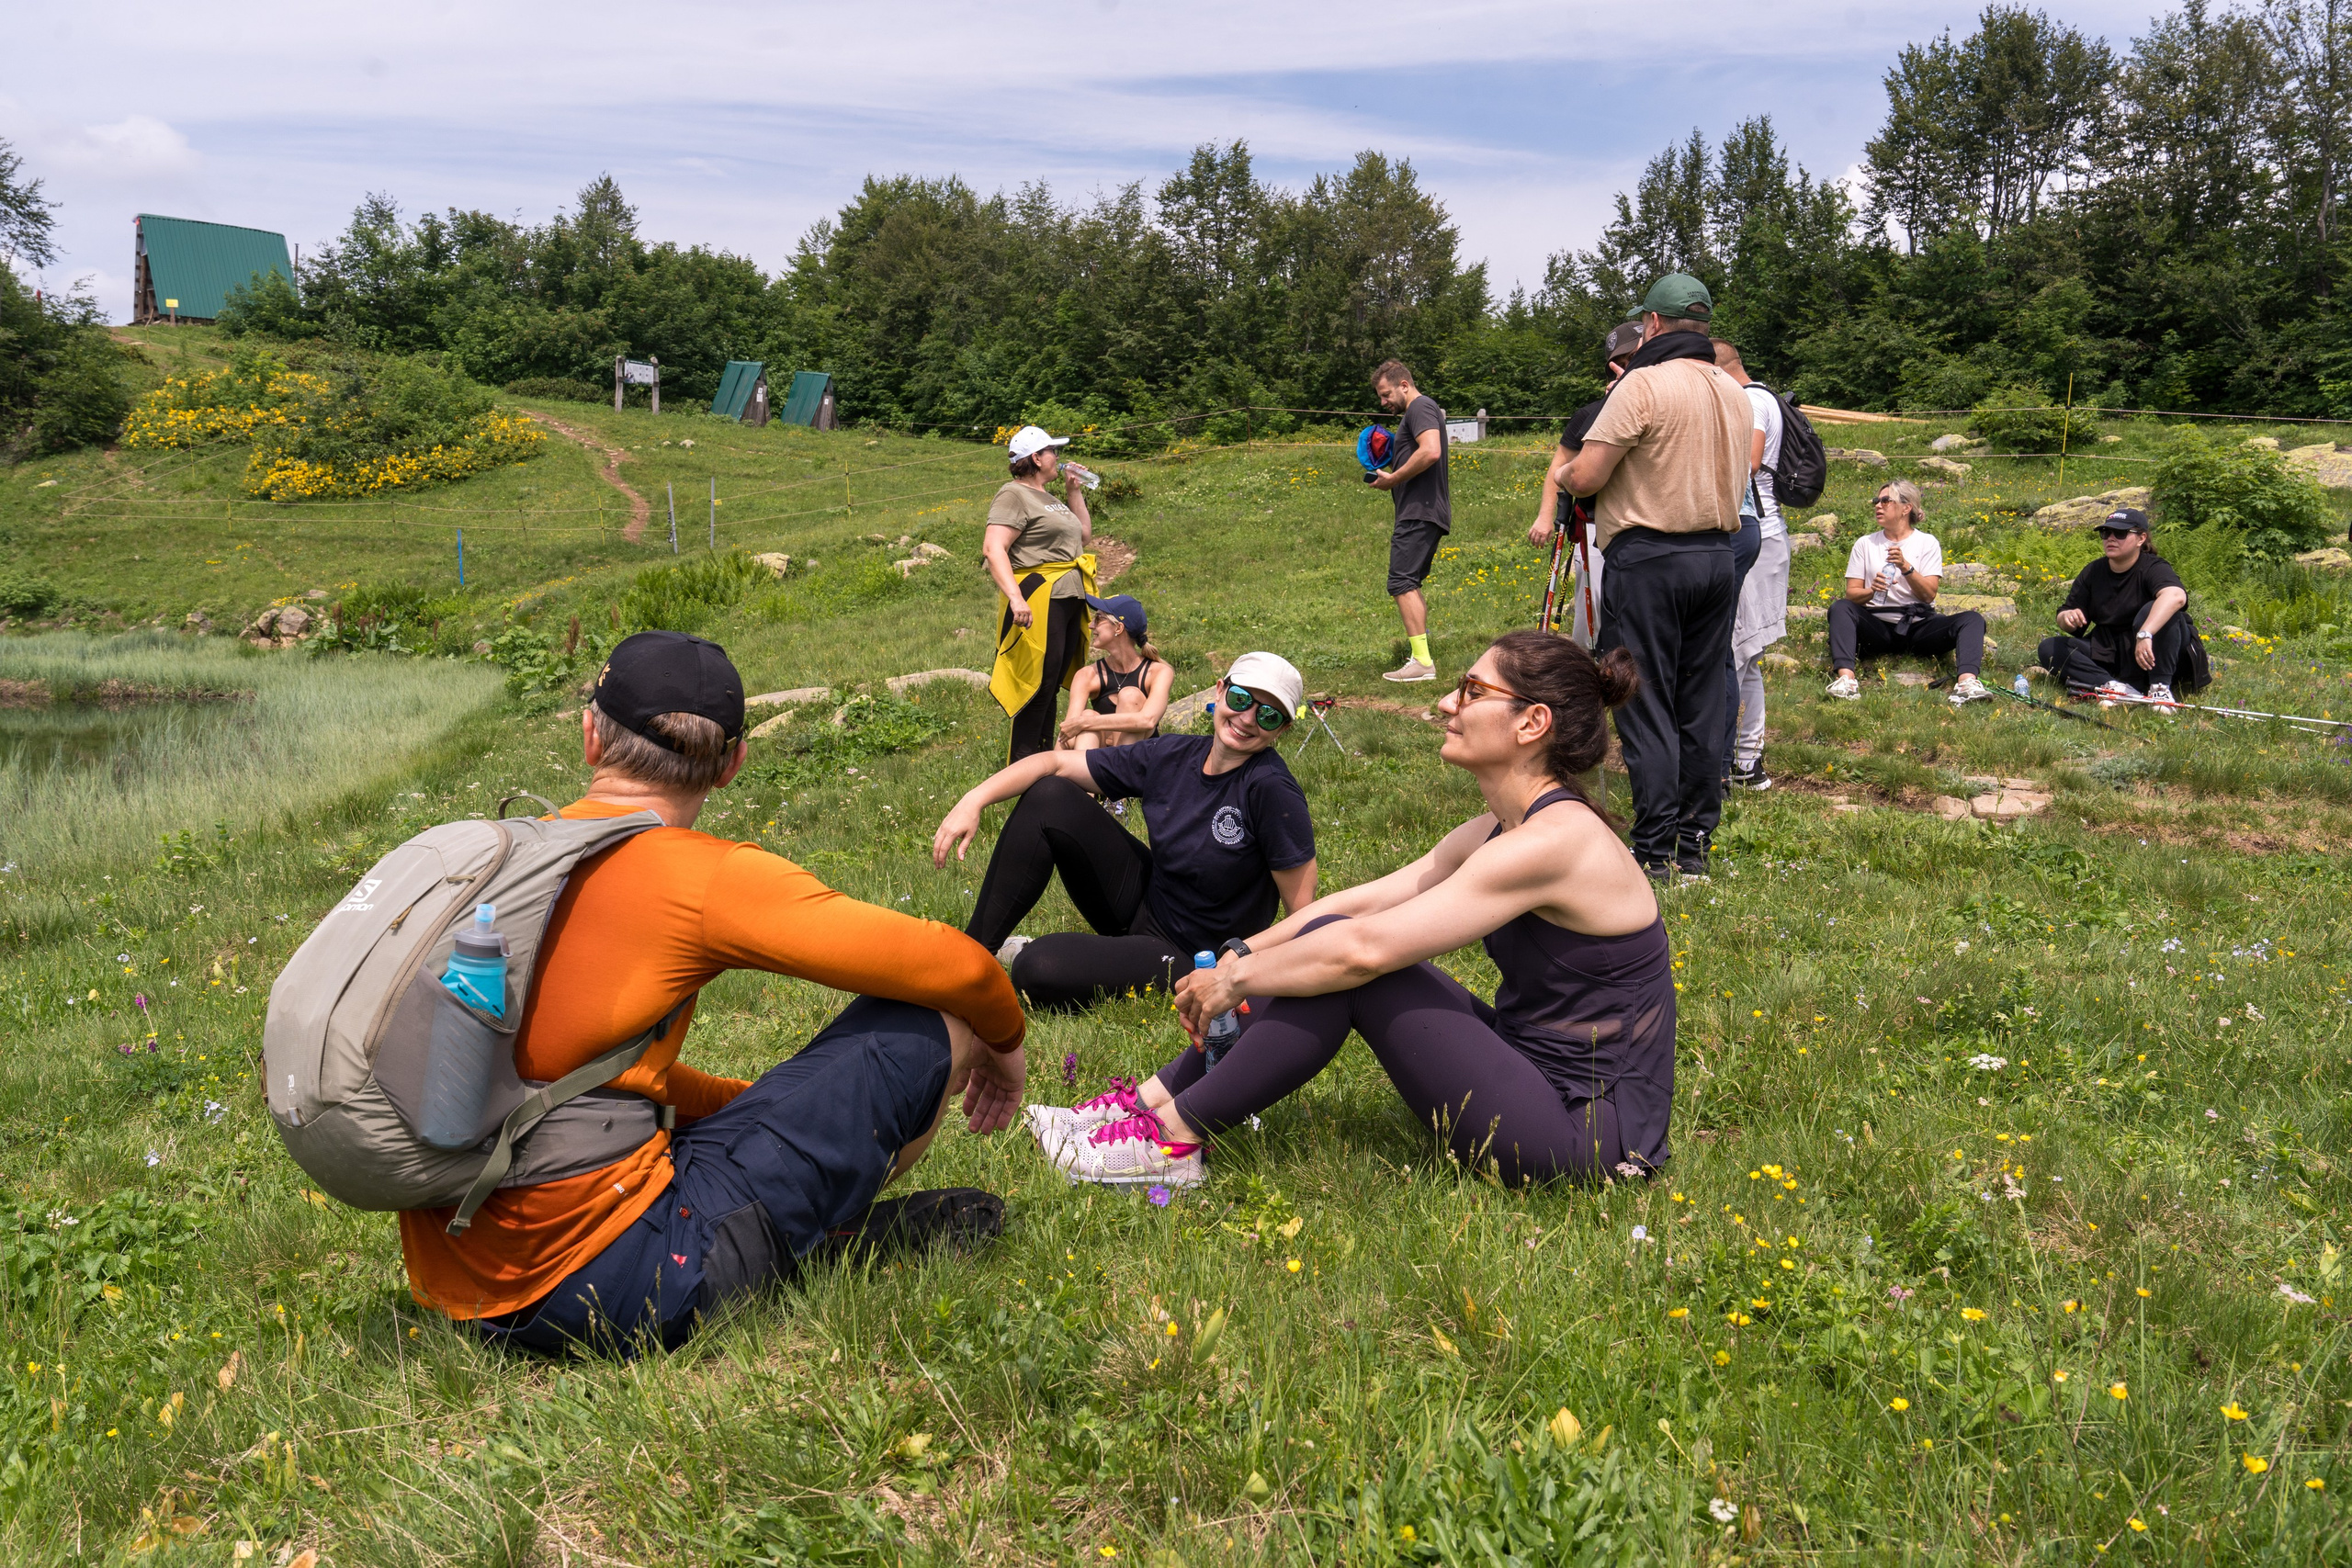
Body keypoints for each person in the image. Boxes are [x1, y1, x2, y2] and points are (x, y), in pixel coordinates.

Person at [405, 631, 1028, 1357]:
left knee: (716, 1118)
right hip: (615, 1288)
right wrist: (1005, 1047)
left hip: (459, 1283)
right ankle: (820, 1233)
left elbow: (586, 1081)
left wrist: (755, 1106)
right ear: (732, 763)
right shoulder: (699, 875)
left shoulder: (508, 864)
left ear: (590, 738)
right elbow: (960, 968)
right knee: (942, 1019)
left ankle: (798, 1219)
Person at [1034, 631, 1673, 1191]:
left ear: (1531, 723)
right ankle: (1145, 1107)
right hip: (1531, 1067)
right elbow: (1361, 902)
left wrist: (1236, 980)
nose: (1447, 703)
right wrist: (1248, 950)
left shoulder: (1555, 840)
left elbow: (1365, 948)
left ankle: (1167, 1141)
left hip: (1587, 1130)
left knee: (1352, 966)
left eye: (1472, 690)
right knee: (1315, 948)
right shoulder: (1503, 827)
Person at [934, 652, 1318, 1012]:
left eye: (1268, 715)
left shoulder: (1270, 789)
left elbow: (1303, 916)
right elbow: (1054, 761)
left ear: (1282, 729)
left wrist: (1238, 971)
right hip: (1144, 900)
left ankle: (1032, 955)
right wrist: (974, 799)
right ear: (1220, 690)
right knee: (1050, 795)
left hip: (1189, 955)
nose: (1248, 718)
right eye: (1241, 698)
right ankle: (967, 959)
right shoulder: (1174, 755)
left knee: (1038, 969)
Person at [1557, 273, 1752, 882]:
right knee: (1699, 699)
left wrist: (1564, 478)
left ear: (1654, 324)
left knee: (1643, 701)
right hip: (1718, 556)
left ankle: (1654, 847)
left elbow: (1588, 474)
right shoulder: (1732, 389)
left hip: (1649, 558)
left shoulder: (1642, 385)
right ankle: (1695, 840)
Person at [1825, 480, 1991, 705]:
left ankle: (1966, 684)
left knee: (1972, 619)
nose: (1878, 506)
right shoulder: (1865, 544)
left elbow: (1929, 595)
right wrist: (1871, 591)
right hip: (1878, 626)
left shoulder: (1927, 543)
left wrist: (1907, 568)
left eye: (1885, 501)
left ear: (1906, 507)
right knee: (1840, 608)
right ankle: (1846, 681)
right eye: (1877, 501)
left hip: (1919, 627)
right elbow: (1851, 595)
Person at [985, 424, 1096, 761]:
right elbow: (994, 548)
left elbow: (1084, 538)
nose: (1058, 457)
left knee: (1051, 686)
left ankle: (1043, 764)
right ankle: (1023, 768)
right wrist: (1016, 598)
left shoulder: (1050, 499)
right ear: (1036, 457)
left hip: (1067, 598)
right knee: (1038, 685)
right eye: (1053, 452)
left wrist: (1073, 492)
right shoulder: (1013, 494)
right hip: (1039, 599)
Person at [1529, 323, 1644, 647]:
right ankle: (1585, 666)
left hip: (1644, 527)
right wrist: (1545, 515)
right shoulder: (1590, 414)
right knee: (1592, 603)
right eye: (1629, 356)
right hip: (1595, 524)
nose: (1636, 361)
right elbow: (1560, 464)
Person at [2036, 506, 2208, 709]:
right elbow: (2066, 618)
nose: (2111, 538)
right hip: (2112, 651)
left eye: (2120, 533)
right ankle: (2114, 687)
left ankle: (2159, 689)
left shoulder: (2153, 567)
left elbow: (2176, 596)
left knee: (2156, 610)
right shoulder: (2093, 571)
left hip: (2158, 652)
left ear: (2141, 538)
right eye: (2105, 533)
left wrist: (2145, 634)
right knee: (2050, 648)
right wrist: (2068, 617)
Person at [1712, 338, 1789, 790]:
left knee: (1734, 655)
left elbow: (1750, 461)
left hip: (1755, 537)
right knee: (1746, 657)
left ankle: (1728, 764)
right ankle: (1746, 760)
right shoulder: (1763, 395)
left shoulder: (1749, 401)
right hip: (1766, 535)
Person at [1367, 360, 1451, 682]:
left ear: (1404, 385)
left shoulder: (1420, 407)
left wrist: (1393, 479)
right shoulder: (1416, 414)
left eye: (1386, 394)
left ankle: (1422, 662)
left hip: (1420, 511)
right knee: (1409, 583)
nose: (1383, 402)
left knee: (1401, 582)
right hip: (1423, 511)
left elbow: (1430, 452)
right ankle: (1421, 655)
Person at [1057, 592, 1173, 752]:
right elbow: (1067, 733)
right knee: (1088, 715)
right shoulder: (1086, 675)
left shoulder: (1159, 672)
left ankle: (1118, 772)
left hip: (1141, 761)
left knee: (1130, 696)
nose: (1091, 625)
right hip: (1098, 763)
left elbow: (1148, 720)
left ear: (1118, 628)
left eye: (1098, 618)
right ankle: (1080, 775)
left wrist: (1084, 723)